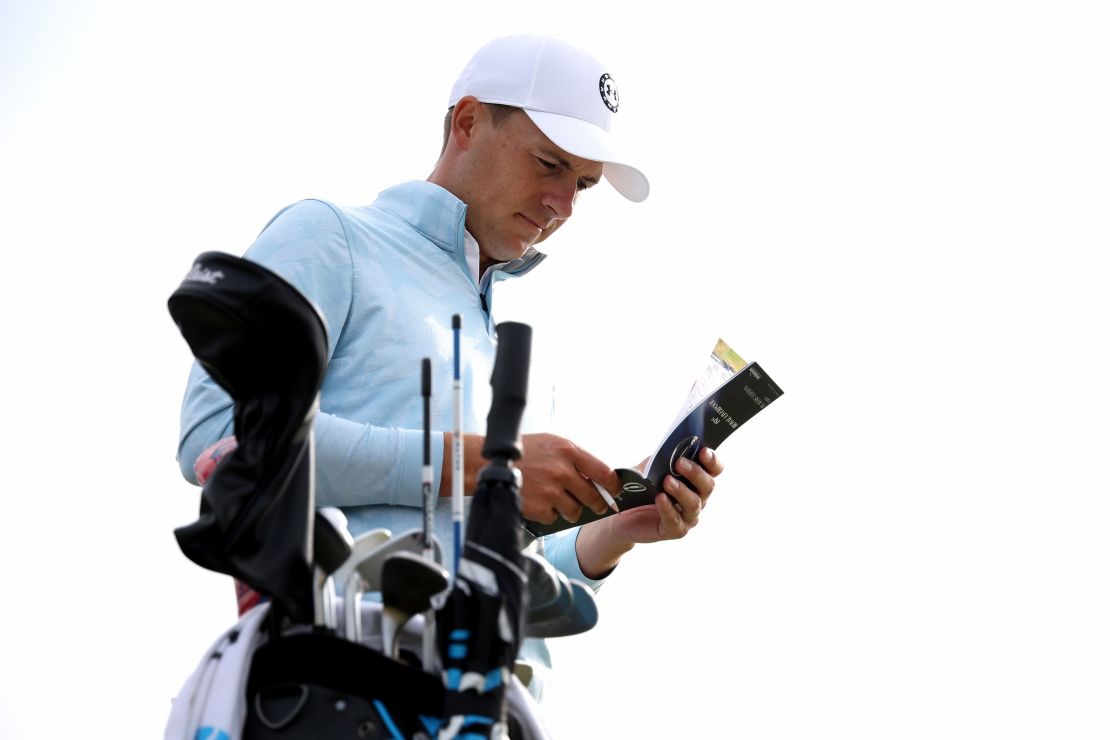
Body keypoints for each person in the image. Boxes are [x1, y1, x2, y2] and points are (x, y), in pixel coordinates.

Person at [176, 33, 725, 700]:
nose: (564, 207)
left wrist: (614, 531)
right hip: (339, 689)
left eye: (582, 185)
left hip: (493, 708)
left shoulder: (525, 346)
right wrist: (486, 466)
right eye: (549, 164)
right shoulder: (330, 236)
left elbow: (503, 558)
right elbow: (217, 438)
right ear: (466, 122)